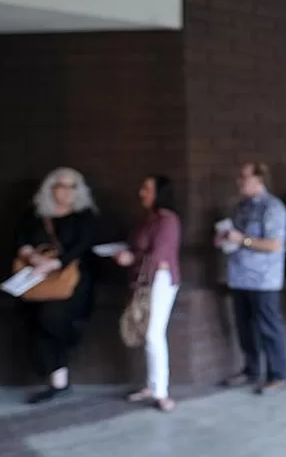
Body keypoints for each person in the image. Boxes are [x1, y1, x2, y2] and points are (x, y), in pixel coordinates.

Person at [14, 167, 98, 404]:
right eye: (62, 186)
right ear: (50, 189)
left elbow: (82, 245)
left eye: (73, 186)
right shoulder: (35, 214)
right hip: (38, 280)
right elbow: (20, 240)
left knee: (51, 318)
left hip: (73, 281)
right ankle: (58, 382)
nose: (68, 191)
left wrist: (54, 264)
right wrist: (34, 259)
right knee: (38, 321)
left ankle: (73, 339)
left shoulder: (84, 216)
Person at [216, 162, 286, 393]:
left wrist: (242, 240)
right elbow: (235, 237)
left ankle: (278, 374)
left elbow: (274, 244)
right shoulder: (240, 207)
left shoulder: (273, 208)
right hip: (239, 276)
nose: (239, 181)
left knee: (269, 328)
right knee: (245, 328)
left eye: (244, 177)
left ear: (259, 180)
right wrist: (224, 240)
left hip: (263, 280)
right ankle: (251, 370)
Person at [115, 175, 181, 412]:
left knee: (153, 334)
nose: (141, 192)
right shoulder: (148, 219)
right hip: (145, 281)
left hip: (160, 281)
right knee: (148, 333)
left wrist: (131, 258)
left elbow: (159, 254)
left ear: (159, 193)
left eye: (147, 188)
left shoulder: (167, 221)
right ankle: (152, 385)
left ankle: (161, 391)